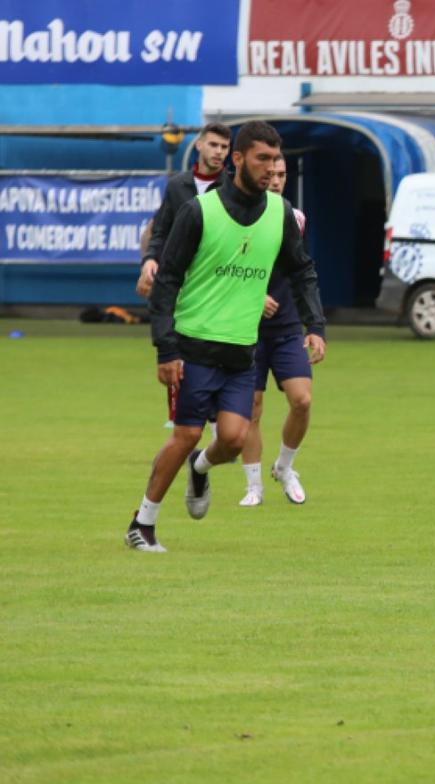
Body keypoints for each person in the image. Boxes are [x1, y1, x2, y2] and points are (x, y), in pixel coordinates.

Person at [124, 121, 327, 553]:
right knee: (187, 435)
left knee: (233, 440)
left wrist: (315, 326)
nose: (271, 168)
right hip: (193, 346)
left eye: (276, 160)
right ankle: (143, 524)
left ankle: (200, 469)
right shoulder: (200, 211)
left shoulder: (280, 213)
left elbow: (302, 269)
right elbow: (169, 280)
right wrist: (166, 348)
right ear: (238, 160)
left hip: (242, 350)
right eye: (262, 159)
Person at [238, 154, 320, 506]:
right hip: (247, 329)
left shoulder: (295, 218)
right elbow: (229, 270)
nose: (276, 180)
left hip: (286, 327)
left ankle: (284, 467)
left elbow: (302, 273)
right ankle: (253, 485)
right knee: (252, 408)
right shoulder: (238, 218)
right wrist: (254, 299)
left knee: (301, 400)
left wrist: (315, 325)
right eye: (270, 174)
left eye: (282, 175)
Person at [135, 122, 231, 299]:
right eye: (213, 144)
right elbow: (160, 231)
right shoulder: (176, 185)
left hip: (218, 285)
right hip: (178, 283)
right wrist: (149, 260)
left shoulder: (233, 188)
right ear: (199, 145)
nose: (219, 151)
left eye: (224, 147)